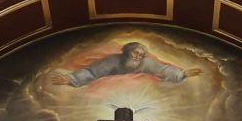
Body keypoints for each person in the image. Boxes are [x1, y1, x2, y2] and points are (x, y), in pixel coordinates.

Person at [53, 40, 202, 87]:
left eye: (141, 55)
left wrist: (183, 73)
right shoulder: (112, 61)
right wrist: (70, 79)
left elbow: (163, 70)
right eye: (135, 53)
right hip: (108, 93)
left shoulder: (146, 63)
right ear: (127, 52)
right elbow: (91, 72)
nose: (138, 57)